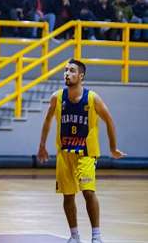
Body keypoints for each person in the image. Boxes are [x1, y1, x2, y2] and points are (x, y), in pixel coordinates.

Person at [37, 59, 125, 243]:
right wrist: (42, 146)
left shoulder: (92, 98)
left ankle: (96, 236)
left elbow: (109, 120)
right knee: (68, 195)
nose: (67, 74)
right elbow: (47, 121)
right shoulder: (57, 97)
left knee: (88, 192)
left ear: (81, 76)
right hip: (64, 154)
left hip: (86, 154)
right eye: (66, 70)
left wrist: (113, 147)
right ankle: (75, 236)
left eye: (72, 71)